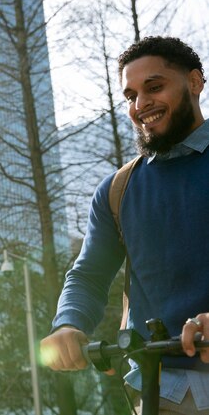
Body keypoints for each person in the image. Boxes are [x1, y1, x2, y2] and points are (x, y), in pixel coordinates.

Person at [40, 36, 209, 414]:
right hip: (157, 391)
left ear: (195, 82)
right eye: (130, 96)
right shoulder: (117, 190)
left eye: (154, 87)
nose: (140, 104)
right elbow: (88, 274)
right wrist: (67, 324)